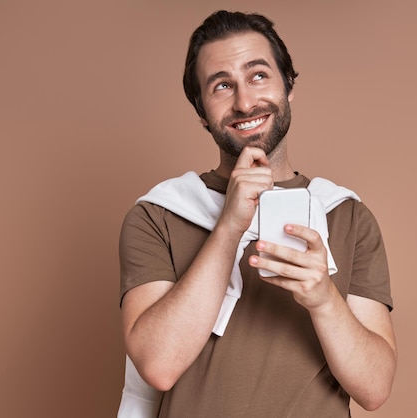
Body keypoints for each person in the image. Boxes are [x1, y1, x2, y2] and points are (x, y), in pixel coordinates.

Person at [117, 10, 397, 418]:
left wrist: (323, 300)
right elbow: (158, 366)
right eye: (222, 86)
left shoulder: (347, 217)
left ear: (289, 88)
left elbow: (374, 389)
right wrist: (229, 226)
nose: (244, 101)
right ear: (201, 113)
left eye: (259, 75)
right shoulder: (158, 216)